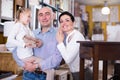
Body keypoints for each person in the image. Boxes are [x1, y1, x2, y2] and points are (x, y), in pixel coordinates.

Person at [6, 7, 62, 80]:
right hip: (28, 75)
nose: (44, 17)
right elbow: (14, 51)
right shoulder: (31, 33)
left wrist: (36, 66)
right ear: (38, 18)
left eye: (47, 14)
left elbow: (57, 58)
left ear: (53, 16)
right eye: (41, 15)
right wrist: (25, 65)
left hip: (46, 75)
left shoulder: (59, 34)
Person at [56, 11, 92, 80]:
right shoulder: (69, 37)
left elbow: (68, 59)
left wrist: (60, 42)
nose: (64, 23)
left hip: (84, 74)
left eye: (67, 20)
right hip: (77, 73)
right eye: (61, 21)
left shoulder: (76, 36)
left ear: (73, 22)